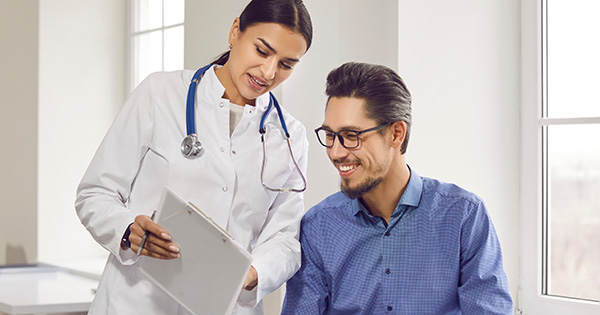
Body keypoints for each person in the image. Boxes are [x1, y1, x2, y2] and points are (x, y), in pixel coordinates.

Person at [75, 0, 312, 314]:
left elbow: (285, 237)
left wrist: (253, 273)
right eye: (262, 51)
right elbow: (94, 193)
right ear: (235, 31)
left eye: (286, 64)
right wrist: (127, 228)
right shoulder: (160, 94)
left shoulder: (290, 136)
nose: (269, 72)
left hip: (225, 304)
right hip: (136, 301)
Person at [282, 62, 513, 314]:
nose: (336, 152)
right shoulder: (318, 226)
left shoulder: (464, 216)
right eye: (330, 135)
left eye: (351, 136)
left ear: (396, 134)